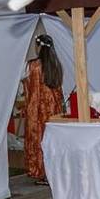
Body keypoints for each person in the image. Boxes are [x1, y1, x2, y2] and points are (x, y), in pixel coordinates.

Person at [22, 34, 65, 184]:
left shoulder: (33, 66)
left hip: (38, 108)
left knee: (39, 139)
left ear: (39, 47)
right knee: (53, 141)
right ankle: (54, 172)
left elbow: (30, 88)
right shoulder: (56, 65)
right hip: (54, 109)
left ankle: (42, 172)